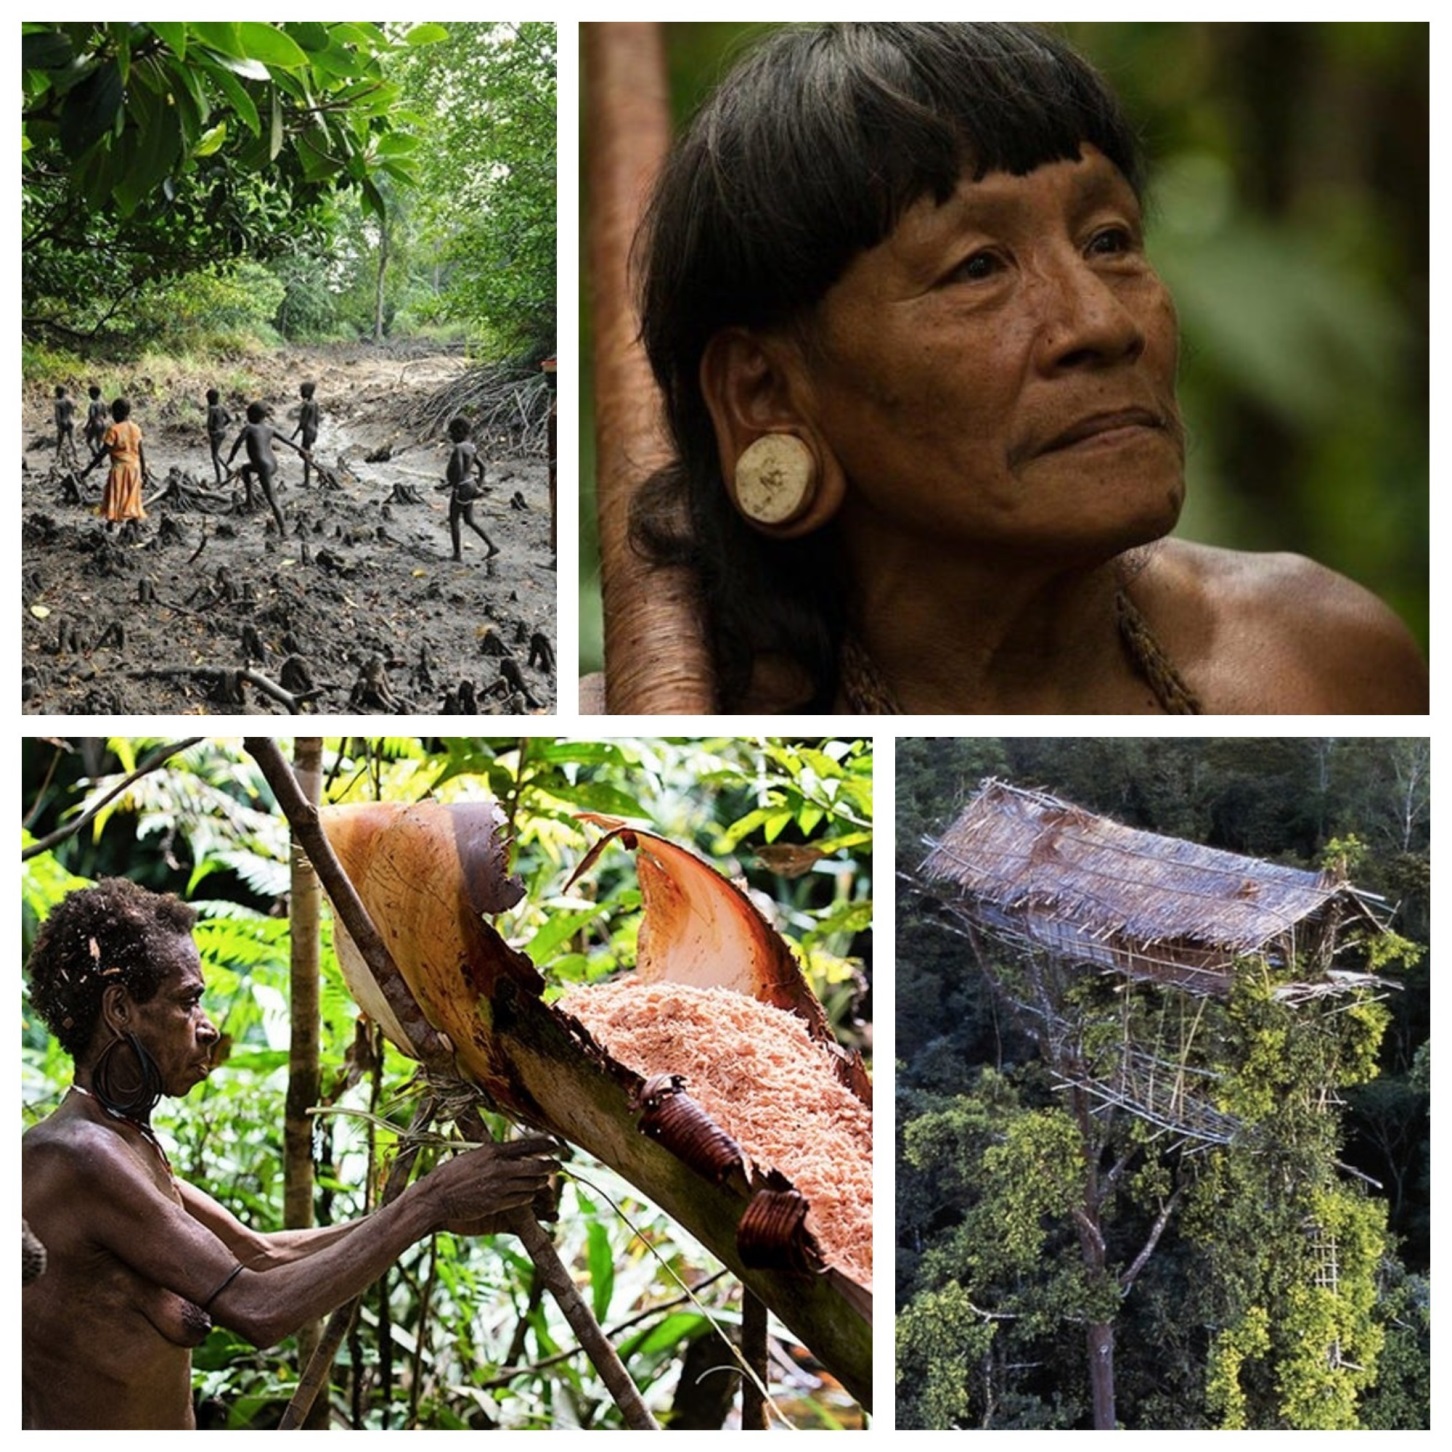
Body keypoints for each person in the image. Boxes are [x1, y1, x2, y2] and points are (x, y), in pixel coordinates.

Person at [613, 22, 1427, 714]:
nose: (1101, 324)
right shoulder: (651, 715)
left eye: (1109, 241)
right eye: (978, 268)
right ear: (765, 393)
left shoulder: (1320, 664)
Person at [22, 878, 557, 1430]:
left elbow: (259, 1256)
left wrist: (440, 1220)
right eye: (188, 1001)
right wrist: (430, 1202)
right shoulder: (78, 1157)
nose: (208, 1028)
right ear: (120, 1010)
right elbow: (258, 1308)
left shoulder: (124, 1141)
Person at [227, 401, 308, 539]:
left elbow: (237, 443)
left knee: (273, 500)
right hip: (272, 464)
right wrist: (301, 450)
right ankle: (249, 500)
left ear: (250, 415)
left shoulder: (249, 428)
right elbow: (287, 441)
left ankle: (284, 531)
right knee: (245, 469)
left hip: (263, 467)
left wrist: (231, 457)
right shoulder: (269, 429)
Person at [436, 415, 499, 561]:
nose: (450, 437)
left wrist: (454, 486)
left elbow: (457, 468)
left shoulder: (458, 448)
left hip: (461, 488)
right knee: (469, 520)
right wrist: (478, 486)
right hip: (470, 484)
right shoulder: (471, 447)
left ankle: (457, 554)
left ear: (459, 431)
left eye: (452, 433)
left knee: (453, 520)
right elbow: (482, 467)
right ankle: (492, 546)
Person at [80, 396, 149, 526]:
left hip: (120, 469)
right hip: (135, 468)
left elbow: (102, 453)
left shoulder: (114, 430)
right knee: (132, 496)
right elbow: (141, 452)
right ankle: (134, 523)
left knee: (114, 496)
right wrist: (144, 470)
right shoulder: (136, 428)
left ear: (117, 413)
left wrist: (88, 470)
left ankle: (111, 524)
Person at [291, 379, 321, 487]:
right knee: (304, 453)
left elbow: (302, 423)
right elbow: (317, 419)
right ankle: (311, 465)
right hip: (313, 431)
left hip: (307, 432)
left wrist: (293, 436)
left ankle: (307, 481)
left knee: (304, 454)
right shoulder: (315, 404)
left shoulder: (307, 405)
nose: (300, 393)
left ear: (307, 392)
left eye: (301, 391)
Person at [204, 388, 232, 485]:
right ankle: (228, 469)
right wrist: (222, 426)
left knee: (214, 456)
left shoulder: (212, 409)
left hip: (215, 434)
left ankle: (219, 479)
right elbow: (230, 419)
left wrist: (210, 431)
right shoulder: (221, 407)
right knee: (216, 454)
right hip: (222, 432)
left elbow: (210, 423)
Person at [53, 385, 78, 468]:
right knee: (72, 440)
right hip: (71, 421)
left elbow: (57, 416)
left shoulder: (58, 402)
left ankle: (57, 458)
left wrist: (59, 426)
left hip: (63, 422)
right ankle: (76, 458)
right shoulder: (70, 400)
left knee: (60, 441)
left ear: (58, 392)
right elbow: (75, 408)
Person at [83, 384, 109, 455]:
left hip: (96, 424)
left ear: (93, 394)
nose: (89, 396)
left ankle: (95, 454)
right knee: (99, 442)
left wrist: (87, 426)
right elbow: (105, 415)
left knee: (89, 441)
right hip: (103, 423)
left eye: (90, 394)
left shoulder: (93, 404)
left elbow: (92, 416)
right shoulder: (103, 403)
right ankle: (100, 460)